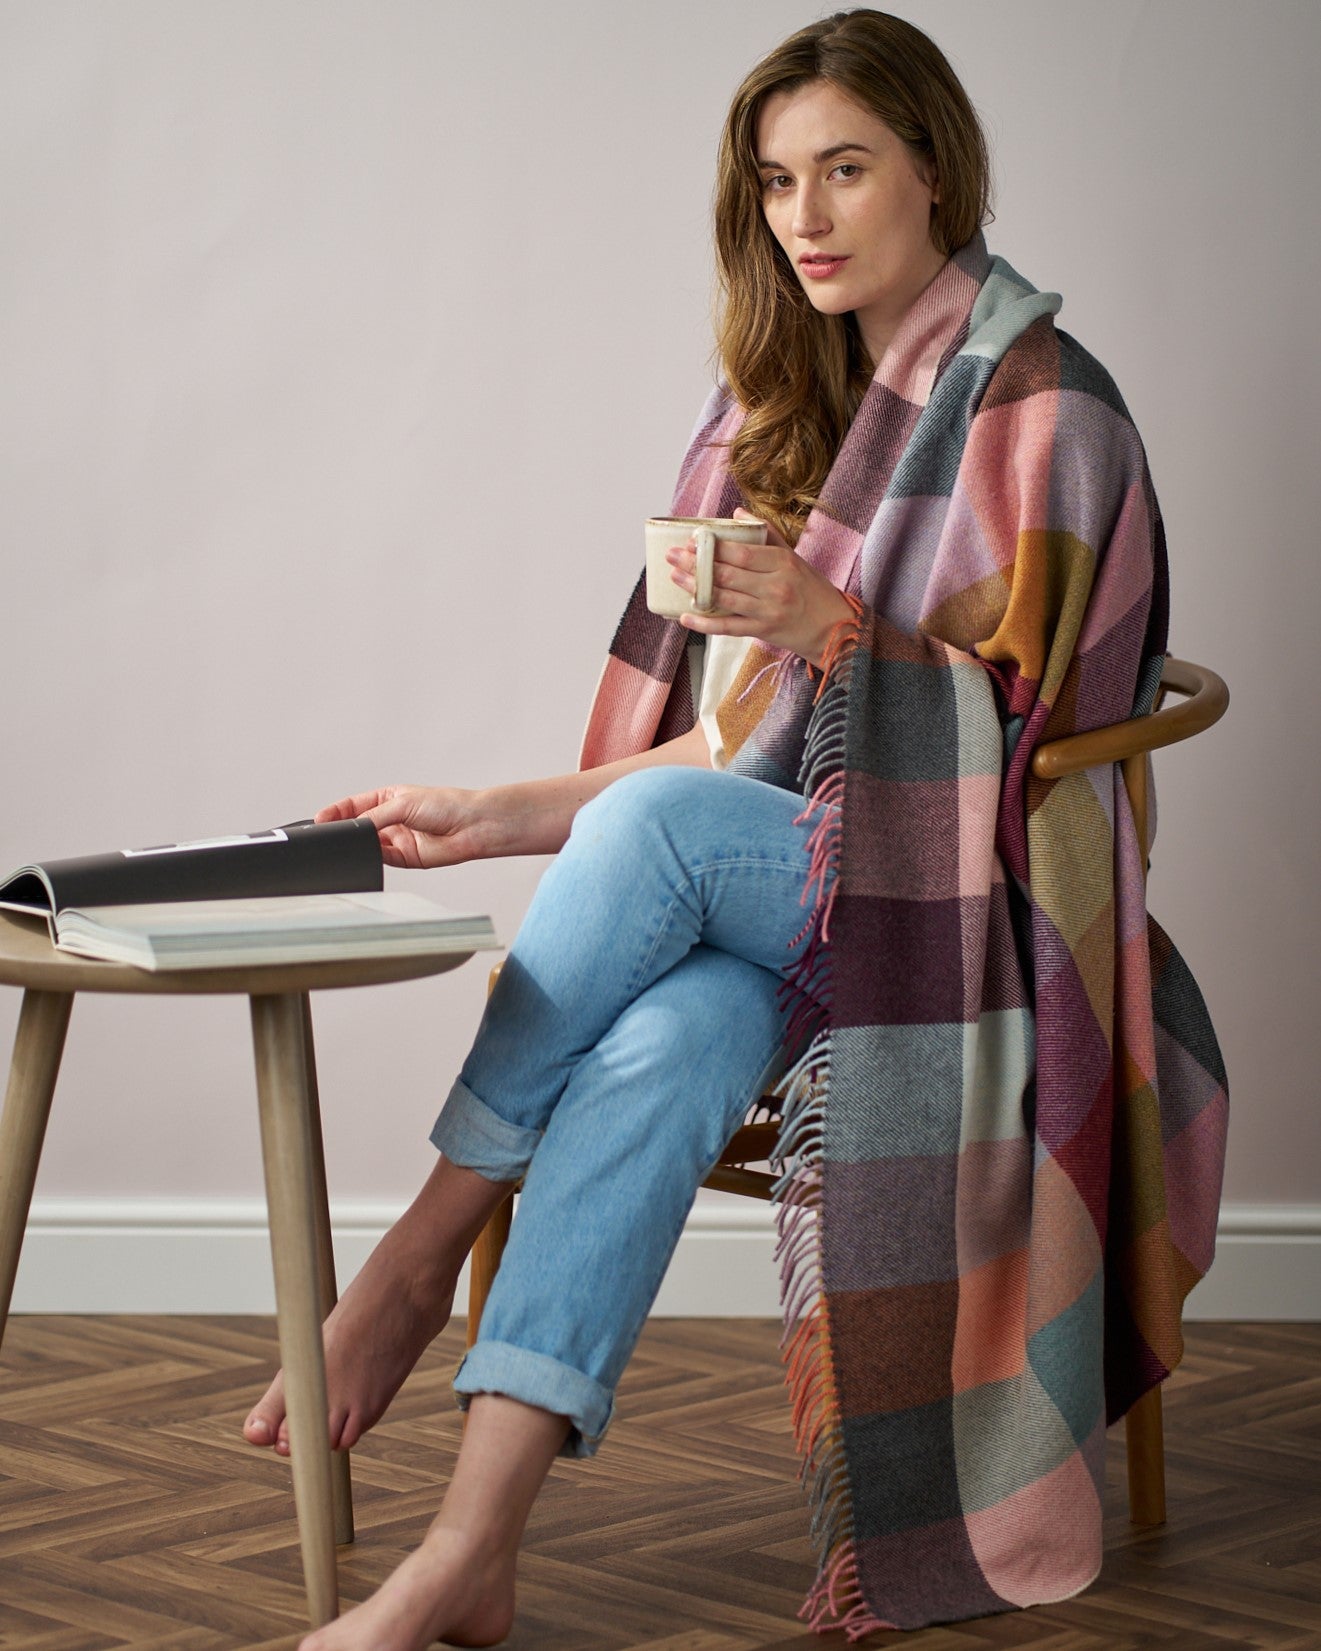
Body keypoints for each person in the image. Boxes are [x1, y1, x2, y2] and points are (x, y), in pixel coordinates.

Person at [243, 10, 1227, 1647]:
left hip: (966, 913)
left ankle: (415, 1259)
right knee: (651, 1060)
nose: (808, 217)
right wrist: (488, 814)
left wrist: (843, 630)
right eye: (776, 181)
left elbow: (1048, 759)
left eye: (845, 168)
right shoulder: (771, 406)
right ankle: (468, 1554)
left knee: (677, 858)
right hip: (781, 896)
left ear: (934, 169)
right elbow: (721, 764)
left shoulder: (1049, 408)